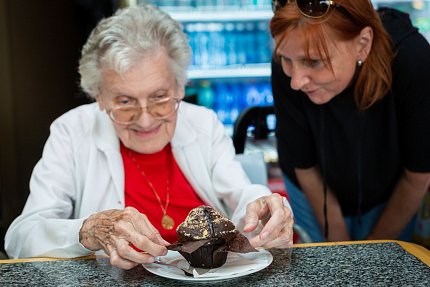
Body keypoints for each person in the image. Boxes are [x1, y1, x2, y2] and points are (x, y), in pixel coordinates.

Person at [4, 4, 293, 269]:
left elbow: (241, 195)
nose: (145, 119)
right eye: (125, 101)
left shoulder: (203, 123)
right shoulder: (71, 131)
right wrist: (89, 230)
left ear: (180, 87)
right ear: (99, 97)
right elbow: (20, 236)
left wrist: (263, 206)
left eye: (159, 97)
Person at [270, 0, 430, 242]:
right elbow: (304, 164)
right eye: (286, 60)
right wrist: (341, 247)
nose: (296, 81)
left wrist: (372, 251)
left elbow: (418, 174)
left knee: (381, 270)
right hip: (312, 185)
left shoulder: (412, 60)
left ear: (363, 44)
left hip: (393, 188)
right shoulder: (289, 65)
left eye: (314, 61)